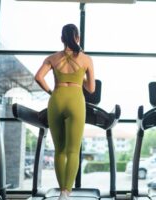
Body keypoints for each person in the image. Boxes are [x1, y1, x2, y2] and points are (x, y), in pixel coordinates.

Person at [35, 24, 95, 200]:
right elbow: (91, 89)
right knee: (73, 151)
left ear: (62, 39)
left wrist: (51, 92)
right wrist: (79, 76)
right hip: (76, 101)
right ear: (78, 38)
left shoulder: (52, 58)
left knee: (59, 150)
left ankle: (61, 190)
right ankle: (66, 193)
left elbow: (38, 77)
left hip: (57, 99)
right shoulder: (86, 60)